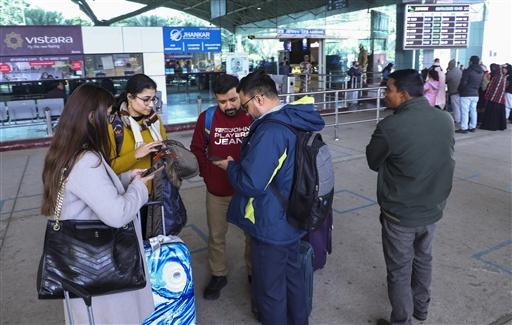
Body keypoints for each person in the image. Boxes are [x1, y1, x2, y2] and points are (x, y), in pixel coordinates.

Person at [213, 69, 324, 325]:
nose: (246, 113)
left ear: (259, 98)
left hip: (272, 224)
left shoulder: (270, 132)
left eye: (246, 106)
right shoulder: (294, 118)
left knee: (270, 290)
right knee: (294, 280)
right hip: (296, 214)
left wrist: (230, 167)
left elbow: (252, 183)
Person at [41, 84, 155, 324]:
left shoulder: (69, 152)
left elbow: (92, 192)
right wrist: (140, 188)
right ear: (92, 116)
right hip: (101, 269)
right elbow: (117, 214)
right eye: (109, 114)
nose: (111, 121)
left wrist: (126, 178)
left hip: (86, 266)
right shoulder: (86, 161)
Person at [366, 69, 455, 325]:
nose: (385, 95)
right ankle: (421, 309)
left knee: (399, 270)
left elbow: (374, 161)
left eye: (388, 90)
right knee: (424, 258)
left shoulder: (391, 126)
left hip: (400, 213)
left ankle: (401, 320)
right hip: (433, 207)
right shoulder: (445, 119)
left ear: (403, 95)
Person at [190, 74, 253, 300]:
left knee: (252, 235)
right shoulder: (206, 119)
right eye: (222, 101)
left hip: (247, 189)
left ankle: (253, 272)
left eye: (233, 99)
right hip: (218, 190)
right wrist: (208, 175)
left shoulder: (251, 116)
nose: (228, 106)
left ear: (241, 94)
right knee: (216, 236)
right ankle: (219, 273)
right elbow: (197, 149)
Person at [108, 74, 166, 234]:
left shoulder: (155, 121)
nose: (151, 104)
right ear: (130, 97)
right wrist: (136, 155)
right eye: (146, 99)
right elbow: (108, 168)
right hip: (125, 195)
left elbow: (164, 149)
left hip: (155, 192)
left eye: (154, 99)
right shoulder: (113, 126)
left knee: (152, 240)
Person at [456, 56, 484, 133]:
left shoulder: (468, 71)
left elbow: (463, 83)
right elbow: (481, 83)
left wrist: (460, 90)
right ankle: (472, 126)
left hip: (466, 94)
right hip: (475, 93)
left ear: (471, 61)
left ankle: (464, 128)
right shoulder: (481, 71)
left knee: (465, 111)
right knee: (473, 110)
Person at [480, 63, 507, 131]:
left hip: (495, 99)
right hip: (498, 98)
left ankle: (492, 126)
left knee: (493, 114)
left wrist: (489, 95)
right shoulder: (499, 76)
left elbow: (494, 88)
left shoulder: (498, 77)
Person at [446, 59, 463, 125]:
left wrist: (447, 70)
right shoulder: (460, 71)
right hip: (460, 92)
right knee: (460, 107)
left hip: (454, 92)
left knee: (455, 107)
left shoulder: (451, 72)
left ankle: (457, 120)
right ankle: (460, 119)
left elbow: (445, 80)